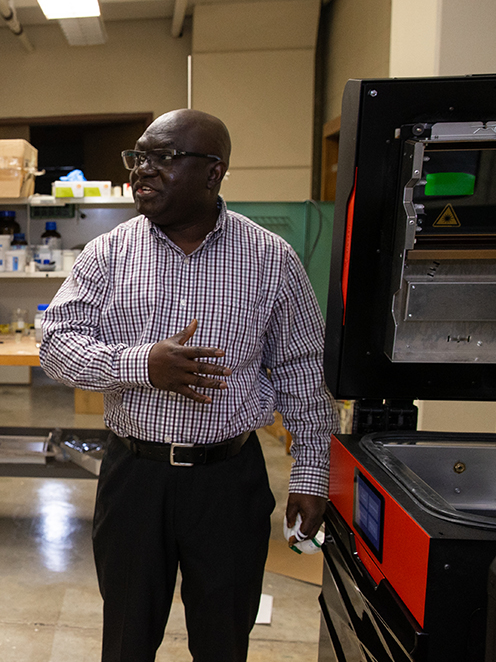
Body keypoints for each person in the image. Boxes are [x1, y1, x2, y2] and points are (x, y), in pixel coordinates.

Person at [39, 109, 336, 662]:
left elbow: (303, 369)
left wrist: (313, 473)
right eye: (138, 157)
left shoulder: (272, 259)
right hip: (135, 480)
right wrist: (143, 364)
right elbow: (55, 345)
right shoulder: (108, 254)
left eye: (163, 158)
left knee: (223, 639)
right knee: (127, 638)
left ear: (214, 172)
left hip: (228, 482)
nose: (141, 171)